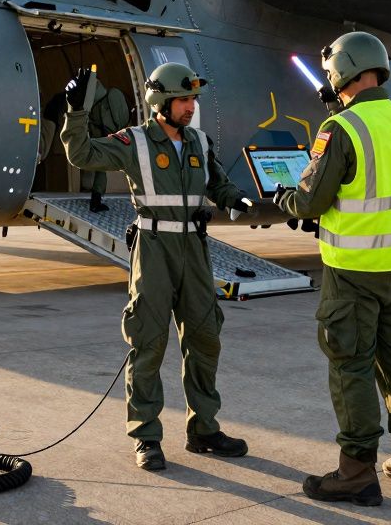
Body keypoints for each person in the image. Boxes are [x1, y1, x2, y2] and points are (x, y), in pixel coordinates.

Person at [62, 62, 254, 471]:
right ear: (161, 102)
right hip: (153, 249)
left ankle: (204, 430)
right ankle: (146, 436)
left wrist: (235, 198)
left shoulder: (199, 142)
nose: (191, 107)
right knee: (148, 342)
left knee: (205, 338)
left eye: (193, 100)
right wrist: (76, 113)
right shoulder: (133, 141)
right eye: (183, 100)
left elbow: (217, 183)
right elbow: (82, 154)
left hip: (195, 250)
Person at [274, 31, 391, 506]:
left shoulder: (340, 128)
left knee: (351, 367)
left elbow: (310, 200)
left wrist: (285, 199)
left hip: (352, 270)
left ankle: (356, 472)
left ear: (342, 70)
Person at [81, 81, 131, 211]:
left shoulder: (86, 100)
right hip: (109, 134)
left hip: (96, 134)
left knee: (99, 167)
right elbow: (120, 120)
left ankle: (95, 198)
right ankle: (96, 199)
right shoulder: (113, 95)